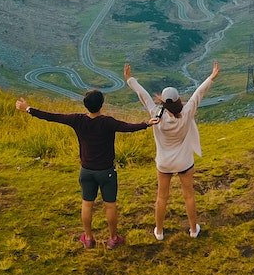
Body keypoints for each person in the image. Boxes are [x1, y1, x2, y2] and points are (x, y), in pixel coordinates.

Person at [15, 90, 157, 249]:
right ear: (101, 105)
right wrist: (146, 123)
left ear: (85, 105)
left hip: (86, 171)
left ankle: (88, 238)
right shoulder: (107, 122)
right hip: (106, 171)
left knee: (87, 204)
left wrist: (28, 109)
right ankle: (113, 239)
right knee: (110, 205)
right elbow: (128, 127)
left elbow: (52, 116)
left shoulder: (77, 120)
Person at [124, 61, 219, 241]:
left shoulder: (155, 115)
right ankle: (193, 230)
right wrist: (211, 77)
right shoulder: (187, 111)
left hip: (164, 163)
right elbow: (199, 93)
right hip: (184, 162)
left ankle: (159, 232)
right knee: (189, 195)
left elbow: (143, 95)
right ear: (178, 100)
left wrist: (130, 79)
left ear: (163, 102)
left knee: (162, 197)